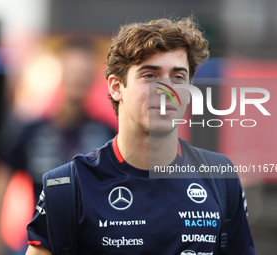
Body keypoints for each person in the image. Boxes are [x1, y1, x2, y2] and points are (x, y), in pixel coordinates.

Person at [25, 17, 256, 255]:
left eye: (178, 77)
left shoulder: (220, 178)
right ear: (116, 87)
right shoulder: (68, 187)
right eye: (150, 75)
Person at [0, 37, 115, 255]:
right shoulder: (29, 132)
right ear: (59, 72)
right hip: (41, 245)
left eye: (83, 71)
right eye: (72, 69)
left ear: (93, 76)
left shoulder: (108, 135)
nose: (77, 77)